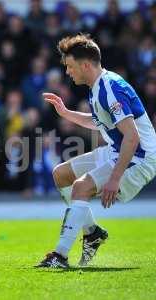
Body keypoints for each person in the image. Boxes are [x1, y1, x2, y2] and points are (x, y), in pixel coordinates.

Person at [37, 34, 156, 268]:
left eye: (70, 67)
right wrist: (66, 112)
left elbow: (132, 138)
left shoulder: (110, 88)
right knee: (61, 174)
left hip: (139, 157)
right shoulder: (98, 86)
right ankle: (92, 233)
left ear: (85, 65)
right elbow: (100, 122)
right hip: (118, 149)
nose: (68, 72)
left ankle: (59, 256)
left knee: (81, 187)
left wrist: (114, 178)